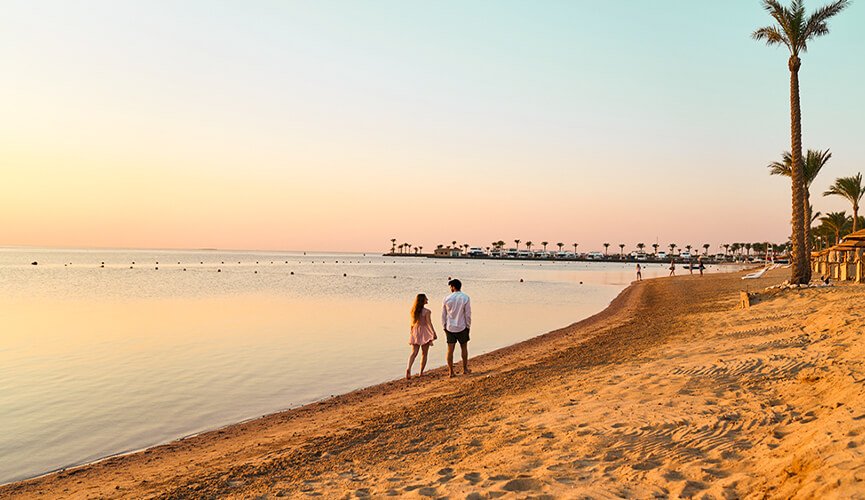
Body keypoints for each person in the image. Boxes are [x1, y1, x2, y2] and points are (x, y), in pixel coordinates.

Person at [442, 278, 472, 377]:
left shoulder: (447, 298)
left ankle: (451, 372)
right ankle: (465, 369)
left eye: (451, 286)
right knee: (464, 348)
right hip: (462, 326)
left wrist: (444, 326)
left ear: (453, 287)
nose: (450, 288)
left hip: (450, 327)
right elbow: (467, 314)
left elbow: (443, 314)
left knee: (450, 350)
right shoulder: (465, 298)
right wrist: (468, 326)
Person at [407, 293, 436, 379]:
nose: (427, 300)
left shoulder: (413, 310)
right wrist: (433, 332)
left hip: (415, 331)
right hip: (424, 332)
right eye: (426, 299)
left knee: (414, 353)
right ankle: (421, 372)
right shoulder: (427, 311)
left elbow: (412, 323)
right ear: (422, 301)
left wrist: (411, 332)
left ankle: (408, 368)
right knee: (424, 353)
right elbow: (429, 323)